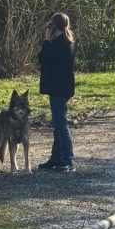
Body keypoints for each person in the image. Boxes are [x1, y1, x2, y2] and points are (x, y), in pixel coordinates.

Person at [38, 13, 77, 172]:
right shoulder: (66, 41)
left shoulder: (60, 44)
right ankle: (57, 157)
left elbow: (43, 58)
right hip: (62, 87)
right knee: (58, 124)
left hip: (58, 88)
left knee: (61, 125)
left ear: (54, 26)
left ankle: (68, 159)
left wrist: (46, 41)